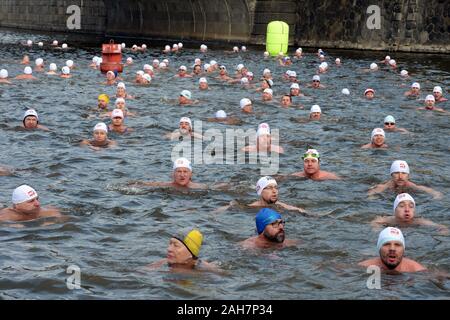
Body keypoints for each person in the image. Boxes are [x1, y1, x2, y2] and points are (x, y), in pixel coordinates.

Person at [144, 229, 219, 272]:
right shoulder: (163, 262)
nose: (169, 249)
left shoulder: (206, 270)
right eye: (170, 244)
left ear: (191, 253)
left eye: (176, 245)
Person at [370, 193, 448, 235]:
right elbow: (375, 221)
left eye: (411, 207)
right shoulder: (390, 220)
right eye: (402, 206)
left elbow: (439, 226)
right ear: (395, 210)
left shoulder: (418, 221)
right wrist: (377, 229)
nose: (407, 210)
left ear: (414, 211)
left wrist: (443, 230)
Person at [358, 227, 426, 273]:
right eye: (387, 244)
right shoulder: (364, 267)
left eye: (397, 245)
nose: (392, 249)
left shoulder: (416, 270)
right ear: (379, 248)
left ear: (403, 249)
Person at [368, 160, 443, 199]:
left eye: (404, 173)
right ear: (391, 175)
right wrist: (372, 197)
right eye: (396, 173)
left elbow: (430, 191)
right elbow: (371, 194)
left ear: (408, 176)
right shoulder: (386, 186)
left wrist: (436, 195)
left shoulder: (411, 185)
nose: (400, 176)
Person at [129, 157, 207, 189]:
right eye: (179, 171)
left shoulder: (200, 187)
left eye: (185, 171)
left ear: (191, 174)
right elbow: (144, 184)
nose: (182, 175)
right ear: (173, 174)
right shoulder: (165, 185)